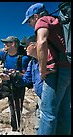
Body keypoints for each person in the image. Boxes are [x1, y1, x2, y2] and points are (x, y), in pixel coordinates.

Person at [22, 3, 71, 135]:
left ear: (36, 16)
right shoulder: (58, 21)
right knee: (65, 110)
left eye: (30, 20)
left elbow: (42, 42)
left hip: (55, 70)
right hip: (68, 68)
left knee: (47, 112)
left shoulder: (43, 21)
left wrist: (42, 70)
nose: (29, 24)